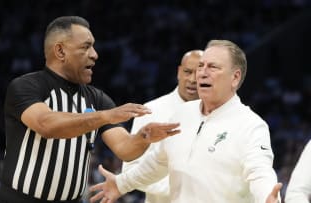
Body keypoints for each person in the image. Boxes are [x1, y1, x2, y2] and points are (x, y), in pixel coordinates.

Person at [0, 16, 180, 203]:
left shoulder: (97, 99)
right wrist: (105, 116)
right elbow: (46, 124)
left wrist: (143, 137)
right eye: (86, 47)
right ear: (60, 51)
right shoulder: (25, 86)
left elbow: (125, 148)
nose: (95, 54)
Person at [90, 39, 283, 203]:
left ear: (235, 77)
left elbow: (259, 171)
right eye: (201, 66)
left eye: (213, 67)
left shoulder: (251, 125)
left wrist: (268, 196)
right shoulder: (183, 113)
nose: (202, 73)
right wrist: (121, 183)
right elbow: (158, 162)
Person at [121, 50, 203, 203]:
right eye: (187, 72)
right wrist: (180, 188)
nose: (192, 79)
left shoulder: (218, 115)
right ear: (179, 72)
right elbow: (131, 169)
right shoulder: (151, 110)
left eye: (199, 74)